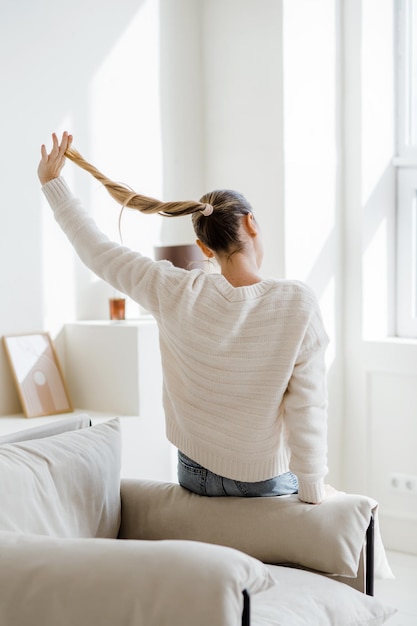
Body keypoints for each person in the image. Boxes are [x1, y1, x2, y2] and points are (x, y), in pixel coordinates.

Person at [38, 131, 331, 504]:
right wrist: (312, 491)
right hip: (261, 479)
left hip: (194, 474)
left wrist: (52, 184)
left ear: (203, 247)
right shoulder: (298, 302)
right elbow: (308, 405)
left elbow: (98, 251)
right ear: (252, 223)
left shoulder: (172, 288)